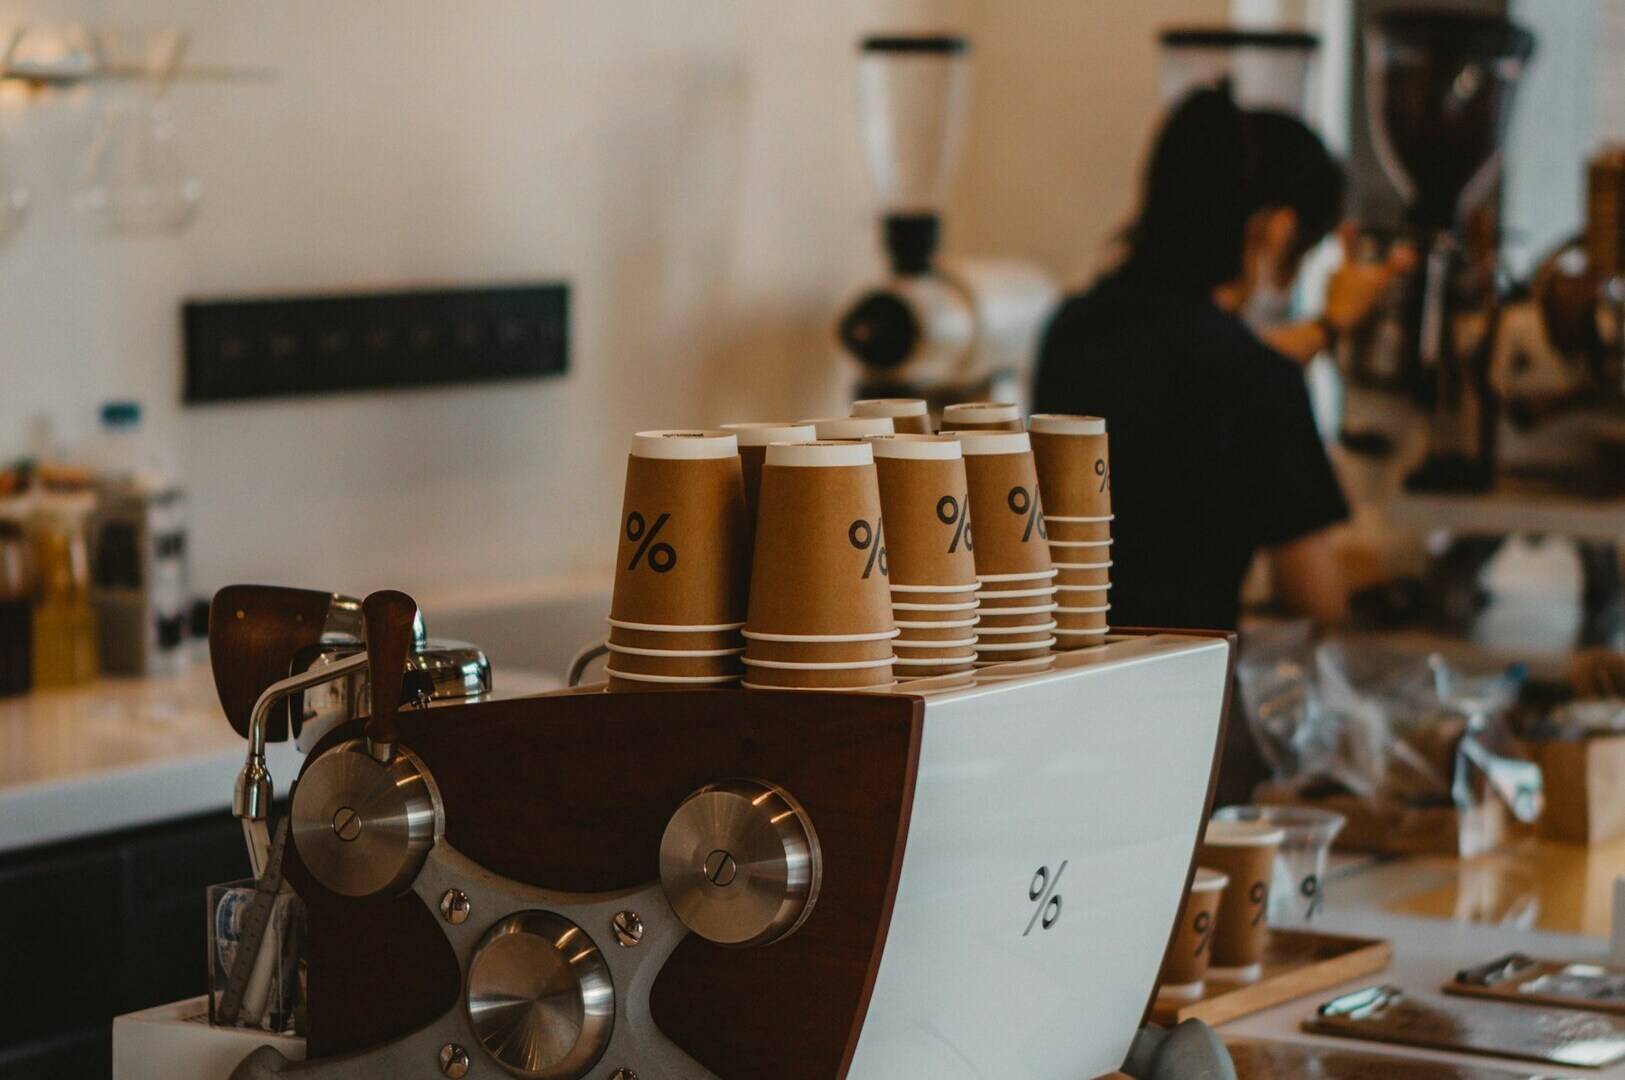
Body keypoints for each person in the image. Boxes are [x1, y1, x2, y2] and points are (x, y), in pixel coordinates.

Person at [1033, 86, 1405, 801]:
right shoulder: (1251, 378)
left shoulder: (1072, 329)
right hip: (1174, 723)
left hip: (1056, 702)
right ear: (1272, 230)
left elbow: (1191, 368)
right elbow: (1314, 601)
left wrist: (1325, 330)